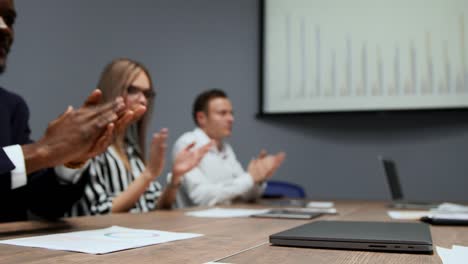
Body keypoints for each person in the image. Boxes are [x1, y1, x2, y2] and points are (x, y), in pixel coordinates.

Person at [0, 0, 137, 222]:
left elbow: (40, 204)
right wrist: (43, 151)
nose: (4, 28)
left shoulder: (13, 108)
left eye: (10, 19)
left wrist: (71, 160)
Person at [66, 58, 212, 216]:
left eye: (147, 94)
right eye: (132, 90)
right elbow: (99, 212)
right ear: (112, 90)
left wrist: (176, 177)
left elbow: (155, 205)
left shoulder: (131, 148)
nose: (143, 100)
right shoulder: (91, 147)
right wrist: (148, 174)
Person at [172, 89, 286, 207]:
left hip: (227, 218)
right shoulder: (187, 144)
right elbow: (201, 198)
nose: (231, 119)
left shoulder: (226, 147)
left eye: (231, 113)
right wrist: (250, 178)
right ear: (201, 118)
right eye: (222, 113)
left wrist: (258, 178)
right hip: (197, 222)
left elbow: (244, 194)